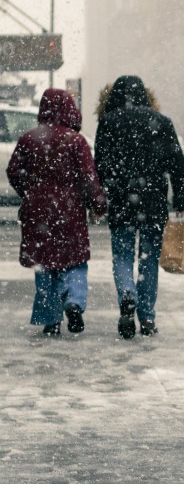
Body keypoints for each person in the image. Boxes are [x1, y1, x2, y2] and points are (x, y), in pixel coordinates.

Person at [95, 75, 184, 339]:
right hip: (153, 201)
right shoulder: (161, 122)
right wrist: (180, 199)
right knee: (148, 260)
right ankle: (147, 317)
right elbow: (177, 165)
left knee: (122, 256)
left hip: (121, 200)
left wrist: (102, 196)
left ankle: (127, 293)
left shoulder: (108, 122)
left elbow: (99, 165)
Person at [8, 89, 106, 336]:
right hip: (70, 209)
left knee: (44, 263)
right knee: (74, 259)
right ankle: (73, 300)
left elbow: (13, 171)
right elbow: (88, 177)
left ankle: (50, 319)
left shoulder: (29, 139)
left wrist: (29, 191)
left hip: (38, 210)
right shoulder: (76, 141)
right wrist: (97, 204)